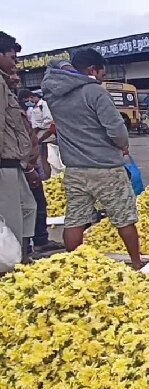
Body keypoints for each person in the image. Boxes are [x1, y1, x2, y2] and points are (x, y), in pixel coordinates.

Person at [42, 48, 143, 270]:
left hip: (75, 168)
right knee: (124, 217)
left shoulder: (53, 93)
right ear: (91, 70)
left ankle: (75, 266)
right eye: (101, 74)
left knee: (75, 219)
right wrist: (122, 145)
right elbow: (117, 131)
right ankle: (136, 264)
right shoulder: (94, 92)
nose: (102, 78)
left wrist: (66, 67)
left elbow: (54, 63)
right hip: (105, 167)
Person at [7, 71, 63, 257]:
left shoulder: (16, 103)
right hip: (18, 163)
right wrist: (28, 166)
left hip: (26, 160)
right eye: (12, 72)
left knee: (33, 204)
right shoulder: (8, 102)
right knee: (29, 206)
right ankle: (29, 247)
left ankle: (35, 243)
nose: (15, 76)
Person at [0, 32, 37, 265]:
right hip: (3, 162)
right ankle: (11, 267)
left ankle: (21, 258)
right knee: (12, 216)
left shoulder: (4, 83)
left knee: (28, 207)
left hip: (13, 161)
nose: (16, 63)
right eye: (12, 57)